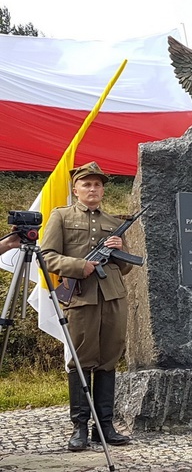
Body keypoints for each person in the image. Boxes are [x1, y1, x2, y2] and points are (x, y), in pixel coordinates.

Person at [41, 162, 132, 450]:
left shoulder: (113, 221)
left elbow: (126, 267)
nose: (93, 189)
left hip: (113, 297)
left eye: (98, 184)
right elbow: (47, 256)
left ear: (103, 189)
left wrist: (118, 250)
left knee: (109, 359)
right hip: (81, 297)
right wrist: (80, 266)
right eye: (87, 184)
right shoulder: (62, 216)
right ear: (76, 188)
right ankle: (79, 427)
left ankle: (104, 427)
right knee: (81, 361)